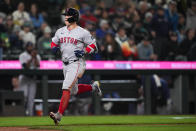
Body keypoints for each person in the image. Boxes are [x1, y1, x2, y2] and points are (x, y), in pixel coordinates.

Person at [49, 8, 102, 125]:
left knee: (66, 87)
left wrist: (84, 52)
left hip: (77, 62)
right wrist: (54, 47)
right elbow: (53, 42)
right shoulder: (60, 31)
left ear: (73, 17)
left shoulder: (82, 32)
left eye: (67, 16)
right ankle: (93, 87)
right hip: (65, 64)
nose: (65, 17)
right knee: (73, 90)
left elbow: (94, 46)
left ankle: (59, 115)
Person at [18, 42, 41, 116]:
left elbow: (38, 65)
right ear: (26, 47)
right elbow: (25, 67)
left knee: (31, 99)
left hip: (32, 79)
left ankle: (30, 116)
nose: (31, 48)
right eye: (29, 47)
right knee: (24, 97)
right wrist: (31, 58)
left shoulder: (37, 56)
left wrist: (34, 57)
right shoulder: (22, 55)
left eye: (32, 47)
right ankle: (21, 114)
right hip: (24, 78)